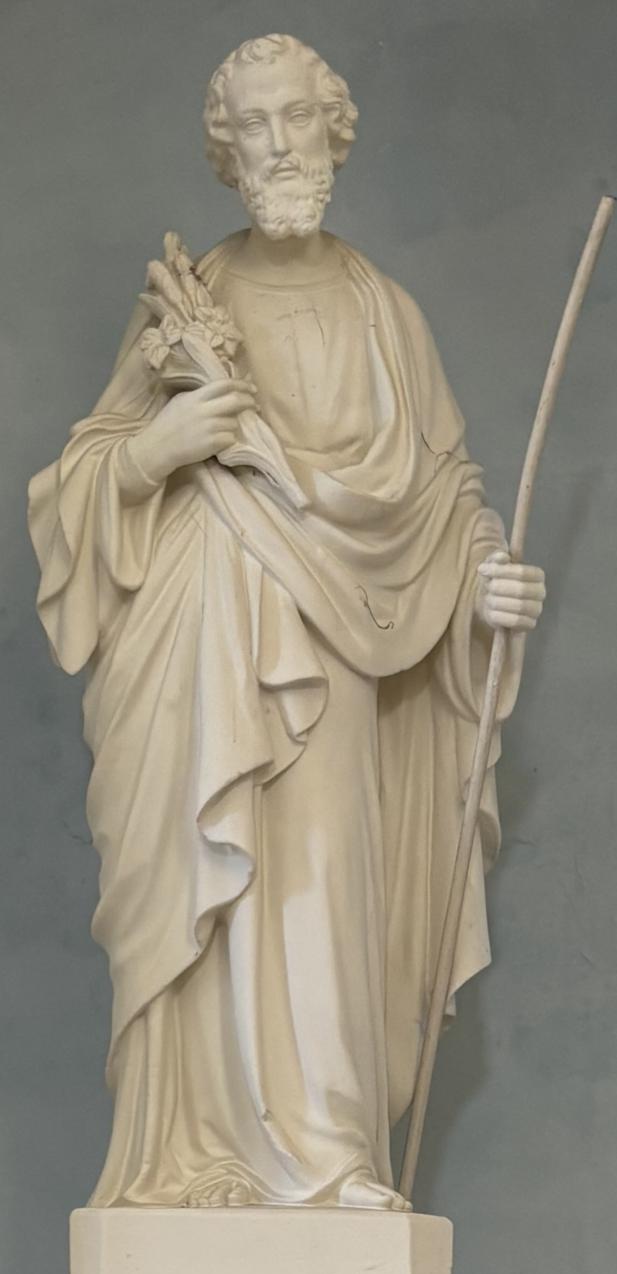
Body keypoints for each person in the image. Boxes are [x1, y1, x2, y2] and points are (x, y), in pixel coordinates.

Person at [28, 34, 545, 1211]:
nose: (276, 145)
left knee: (317, 888)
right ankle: (192, 1156)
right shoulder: (187, 307)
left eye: (295, 118)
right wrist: (161, 445)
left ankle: (327, 1155)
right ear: (225, 149)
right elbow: (82, 482)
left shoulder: (384, 314)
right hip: (199, 648)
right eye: (252, 125)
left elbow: (441, 495)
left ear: (332, 132)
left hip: (337, 650)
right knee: (207, 895)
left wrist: (482, 581)